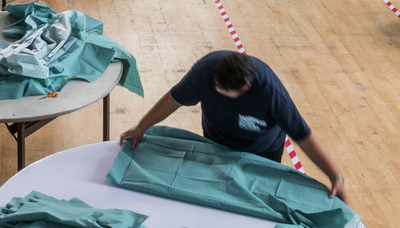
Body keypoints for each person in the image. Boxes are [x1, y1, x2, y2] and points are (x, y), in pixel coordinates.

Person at [120, 50, 348, 202]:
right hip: (216, 143)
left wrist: (334, 175)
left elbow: (304, 136)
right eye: (216, 87)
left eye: (225, 92)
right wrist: (142, 127)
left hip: (262, 152)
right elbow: (173, 100)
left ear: (247, 86)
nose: (217, 92)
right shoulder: (205, 72)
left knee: (257, 198)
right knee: (215, 194)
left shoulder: (271, 94)